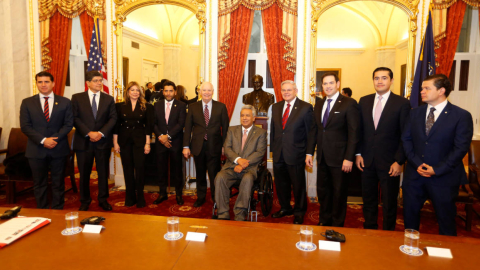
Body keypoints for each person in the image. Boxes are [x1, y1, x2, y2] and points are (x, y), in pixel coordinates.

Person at [402, 74, 473, 236]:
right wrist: (415, 163)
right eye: (422, 88)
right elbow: (406, 140)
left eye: (427, 88)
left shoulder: (461, 116)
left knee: (446, 220)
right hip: (415, 175)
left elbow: (460, 148)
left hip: (444, 177)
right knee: (410, 218)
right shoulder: (415, 113)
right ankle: (410, 252)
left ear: (441, 91)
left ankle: (445, 257)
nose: (422, 91)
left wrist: (437, 169)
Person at [355, 67, 410, 230]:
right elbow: (360, 130)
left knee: (389, 201)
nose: (379, 81)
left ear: (391, 81)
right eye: (376, 78)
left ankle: (388, 232)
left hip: (390, 162)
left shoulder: (402, 103)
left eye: (384, 78)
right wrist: (358, 153)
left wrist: (399, 161)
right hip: (367, 160)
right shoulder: (364, 101)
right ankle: (370, 228)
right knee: (368, 199)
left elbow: (405, 135)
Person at [306, 72, 360, 227]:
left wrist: (349, 157)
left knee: (338, 193)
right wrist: (310, 152)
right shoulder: (319, 104)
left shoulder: (349, 103)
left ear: (338, 84)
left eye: (331, 83)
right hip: (322, 157)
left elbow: (353, 132)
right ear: (322, 86)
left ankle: (337, 223)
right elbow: (315, 130)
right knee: (323, 192)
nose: (328, 86)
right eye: (325, 84)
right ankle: (324, 220)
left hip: (341, 159)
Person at [19, 71, 73, 209]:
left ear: (53, 83)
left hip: (58, 147)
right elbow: (25, 126)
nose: (43, 85)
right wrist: (43, 140)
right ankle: (42, 211)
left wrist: (53, 139)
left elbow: (68, 124)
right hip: (36, 149)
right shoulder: (27, 102)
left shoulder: (65, 102)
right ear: (36, 83)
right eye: (40, 82)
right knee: (39, 183)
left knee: (58, 182)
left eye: (46, 81)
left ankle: (58, 210)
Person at [72, 70, 117, 211]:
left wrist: (101, 133)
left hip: (102, 141)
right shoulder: (77, 98)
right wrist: (89, 133)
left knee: (103, 172)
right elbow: (74, 118)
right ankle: (85, 200)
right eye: (96, 80)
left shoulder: (108, 99)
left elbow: (113, 118)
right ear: (88, 83)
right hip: (83, 141)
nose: (99, 83)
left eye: (100, 80)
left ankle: (103, 199)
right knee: (84, 173)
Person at [270, 80, 313, 224]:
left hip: (296, 153)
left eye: (289, 90)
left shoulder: (305, 108)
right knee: (281, 184)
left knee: (298, 184)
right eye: (284, 90)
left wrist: (309, 153)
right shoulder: (275, 107)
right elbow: (275, 130)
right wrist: (273, 150)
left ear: (296, 90)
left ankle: (299, 211)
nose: (286, 92)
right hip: (278, 152)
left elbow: (310, 133)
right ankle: (285, 207)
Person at [215, 105, 267, 221]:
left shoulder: (260, 133)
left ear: (254, 118)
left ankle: (240, 212)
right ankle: (223, 212)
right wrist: (238, 160)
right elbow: (227, 148)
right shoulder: (232, 130)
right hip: (231, 167)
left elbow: (259, 153)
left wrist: (243, 164)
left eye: (247, 115)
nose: (244, 118)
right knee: (219, 177)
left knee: (247, 179)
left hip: (250, 169)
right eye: (242, 115)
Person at [183, 82, 229, 207]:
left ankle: (216, 197)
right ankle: (201, 197)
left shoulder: (221, 107)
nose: (207, 93)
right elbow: (188, 128)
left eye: (209, 90)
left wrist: (225, 146)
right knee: (200, 173)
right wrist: (185, 146)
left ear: (212, 92)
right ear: (200, 92)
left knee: (215, 174)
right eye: (204, 90)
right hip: (198, 146)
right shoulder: (192, 107)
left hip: (215, 146)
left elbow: (225, 128)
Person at [113, 81, 153, 208]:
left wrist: (148, 144)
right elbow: (116, 126)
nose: (135, 92)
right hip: (124, 142)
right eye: (132, 90)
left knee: (140, 169)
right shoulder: (119, 106)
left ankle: (140, 197)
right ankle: (130, 198)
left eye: (137, 90)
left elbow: (148, 127)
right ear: (128, 92)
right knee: (128, 170)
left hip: (140, 142)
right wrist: (115, 143)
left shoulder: (147, 106)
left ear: (140, 93)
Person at [153, 80, 187, 205]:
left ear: (175, 92)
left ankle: (179, 194)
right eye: (166, 91)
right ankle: (162, 194)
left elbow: (181, 123)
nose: (168, 93)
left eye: (170, 91)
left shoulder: (181, 105)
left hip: (175, 143)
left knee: (177, 170)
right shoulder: (156, 105)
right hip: (160, 142)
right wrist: (161, 137)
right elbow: (154, 123)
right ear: (162, 92)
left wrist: (167, 136)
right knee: (161, 169)